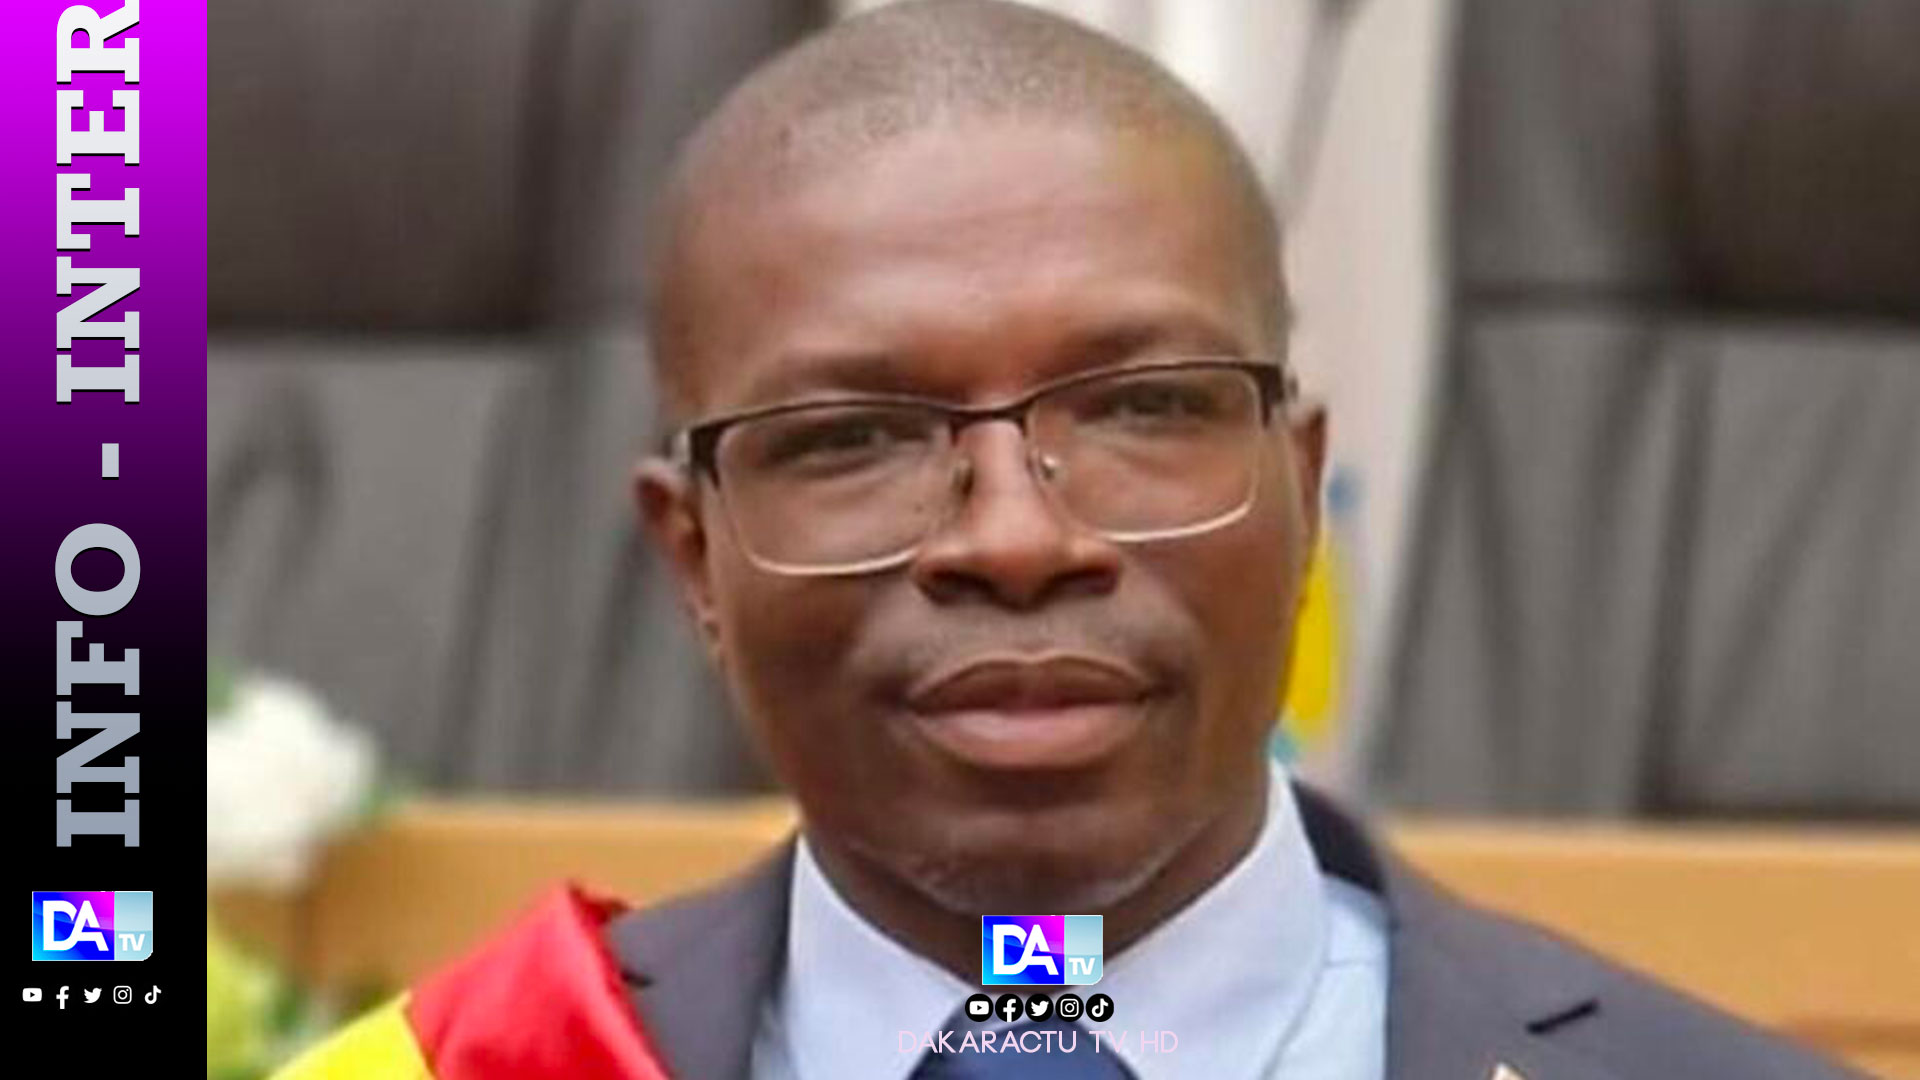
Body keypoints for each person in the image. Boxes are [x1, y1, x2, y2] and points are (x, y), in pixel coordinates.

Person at [278, 2, 1862, 1077]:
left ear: (1299, 484)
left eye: (1145, 408)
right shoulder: (473, 1069)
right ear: (694, 556)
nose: (1018, 539)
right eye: (855, 436)